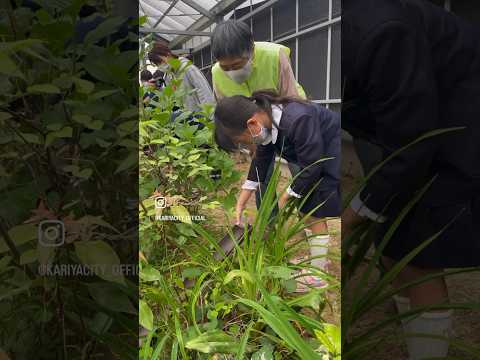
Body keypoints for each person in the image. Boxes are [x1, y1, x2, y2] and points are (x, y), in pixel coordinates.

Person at [342, 0, 480, 358]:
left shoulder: (382, 29)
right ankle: (412, 320)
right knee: (392, 234)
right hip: (419, 119)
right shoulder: (345, 30)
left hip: (459, 118)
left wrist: (351, 217)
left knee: (419, 248)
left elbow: (411, 143)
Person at [214, 91, 341, 291]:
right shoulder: (267, 121)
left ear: (252, 124)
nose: (248, 146)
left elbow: (312, 165)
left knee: (313, 212)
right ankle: (318, 261)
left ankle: (317, 277)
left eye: (245, 141)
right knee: (306, 208)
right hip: (313, 160)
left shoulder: (298, 118)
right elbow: (261, 161)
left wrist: (283, 197)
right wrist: (242, 199)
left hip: (329, 155)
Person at [148, 43, 215, 113]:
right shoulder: (168, 76)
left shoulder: (188, 68)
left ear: (168, 55)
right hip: (186, 118)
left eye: (161, 61)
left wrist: (209, 115)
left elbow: (204, 91)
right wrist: (159, 89)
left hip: (200, 115)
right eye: (157, 64)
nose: (160, 65)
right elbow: (172, 97)